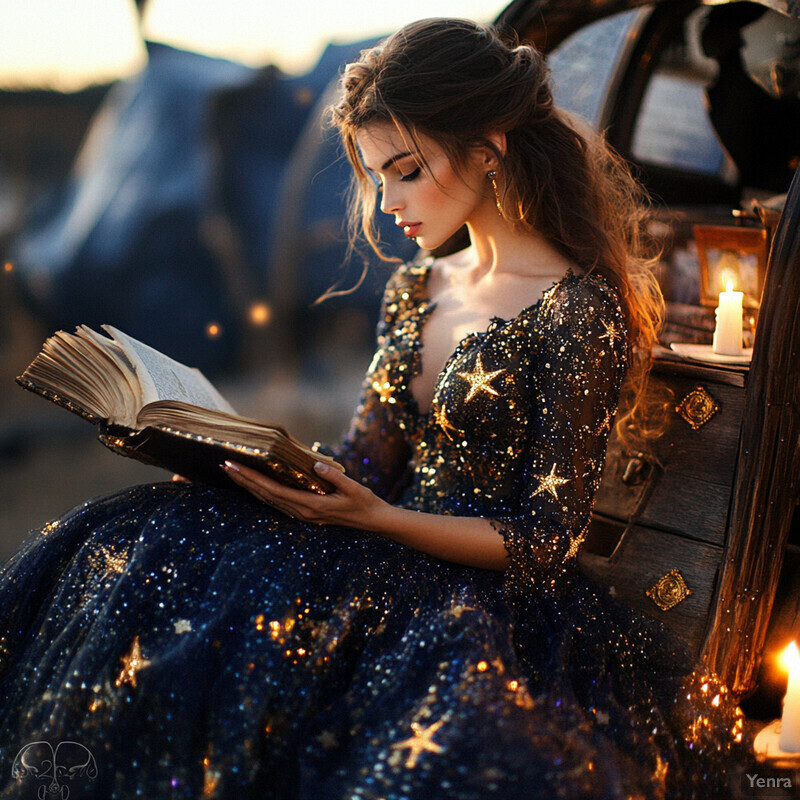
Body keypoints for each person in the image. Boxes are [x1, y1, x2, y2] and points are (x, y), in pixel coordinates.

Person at [0, 18, 743, 800]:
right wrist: (223, 459)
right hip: (369, 544)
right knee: (139, 541)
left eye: (406, 171)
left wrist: (376, 520)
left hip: (473, 597)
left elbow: (543, 541)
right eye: (374, 176)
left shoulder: (577, 311)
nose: (387, 202)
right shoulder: (418, 288)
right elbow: (365, 459)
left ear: (488, 147)